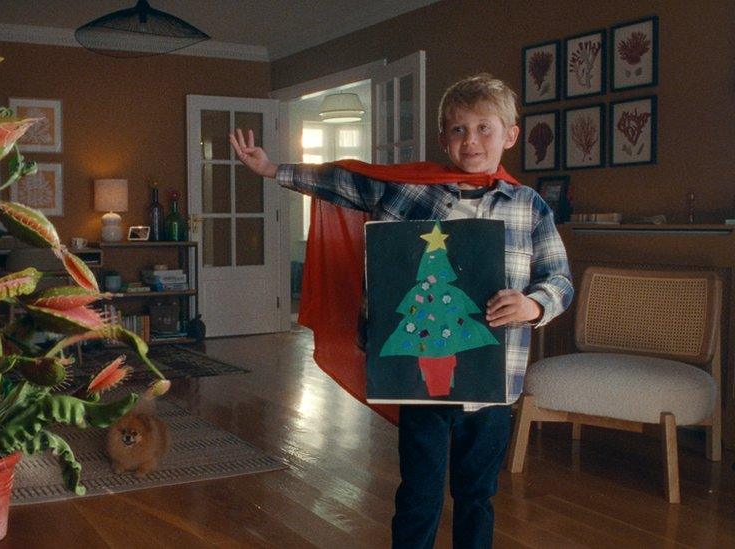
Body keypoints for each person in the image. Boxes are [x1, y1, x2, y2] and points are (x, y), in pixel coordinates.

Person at [229, 73, 573, 548]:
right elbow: (341, 180)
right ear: (443, 138)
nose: (470, 140)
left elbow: (559, 279)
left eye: (484, 128)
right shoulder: (408, 192)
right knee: (419, 492)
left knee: (477, 494)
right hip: (420, 379)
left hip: (495, 382)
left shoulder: (529, 207)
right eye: (458, 129)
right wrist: (272, 170)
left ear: (510, 135)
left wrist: (533, 304)